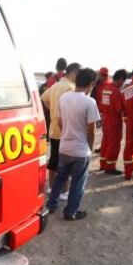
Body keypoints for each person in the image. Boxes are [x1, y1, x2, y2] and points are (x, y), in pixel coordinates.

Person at [47, 68, 101, 220]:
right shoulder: (90, 102)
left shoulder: (64, 97)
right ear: (91, 84)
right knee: (78, 183)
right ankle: (71, 212)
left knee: (60, 178)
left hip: (64, 147)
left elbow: (59, 120)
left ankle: (51, 205)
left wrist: (67, 133)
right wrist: (89, 147)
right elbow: (91, 131)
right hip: (80, 151)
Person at [42, 63, 82, 200]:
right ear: (73, 73)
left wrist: (52, 110)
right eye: (79, 74)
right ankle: (64, 191)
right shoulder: (71, 88)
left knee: (53, 160)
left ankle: (51, 187)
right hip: (65, 130)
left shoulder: (55, 85)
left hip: (53, 129)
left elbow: (43, 98)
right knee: (65, 163)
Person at [98, 69, 128, 174]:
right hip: (114, 120)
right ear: (120, 79)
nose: (122, 84)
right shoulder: (115, 91)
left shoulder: (106, 88)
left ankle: (103, 164)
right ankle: (110, 167)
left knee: (105, 142)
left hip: (106, 119)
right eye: (123, 82)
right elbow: (119, 109)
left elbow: (101, 104)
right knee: (114, 144)